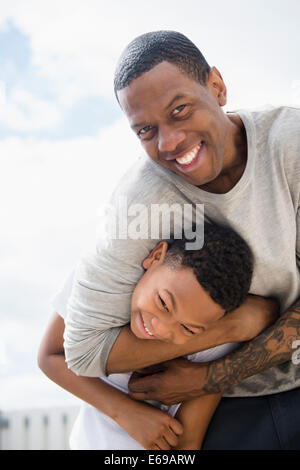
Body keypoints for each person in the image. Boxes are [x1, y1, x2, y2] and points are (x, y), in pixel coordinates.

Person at [60, 31, 300, 449]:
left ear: (217, 87)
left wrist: (211, 375)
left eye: (180, 110)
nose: (169, 142)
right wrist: (234, 327)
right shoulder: (141, 203)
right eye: (145, 130)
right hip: (221, 409)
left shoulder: (290, 146)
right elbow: (78, 350)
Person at [39, 223, 277, 449]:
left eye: (189, 329)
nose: (162, 330)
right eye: (163, 303)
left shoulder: (218, 346)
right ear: (155, 257)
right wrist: (124, 412)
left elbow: (189, 441)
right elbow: (50, 356)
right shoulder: (101, 281)